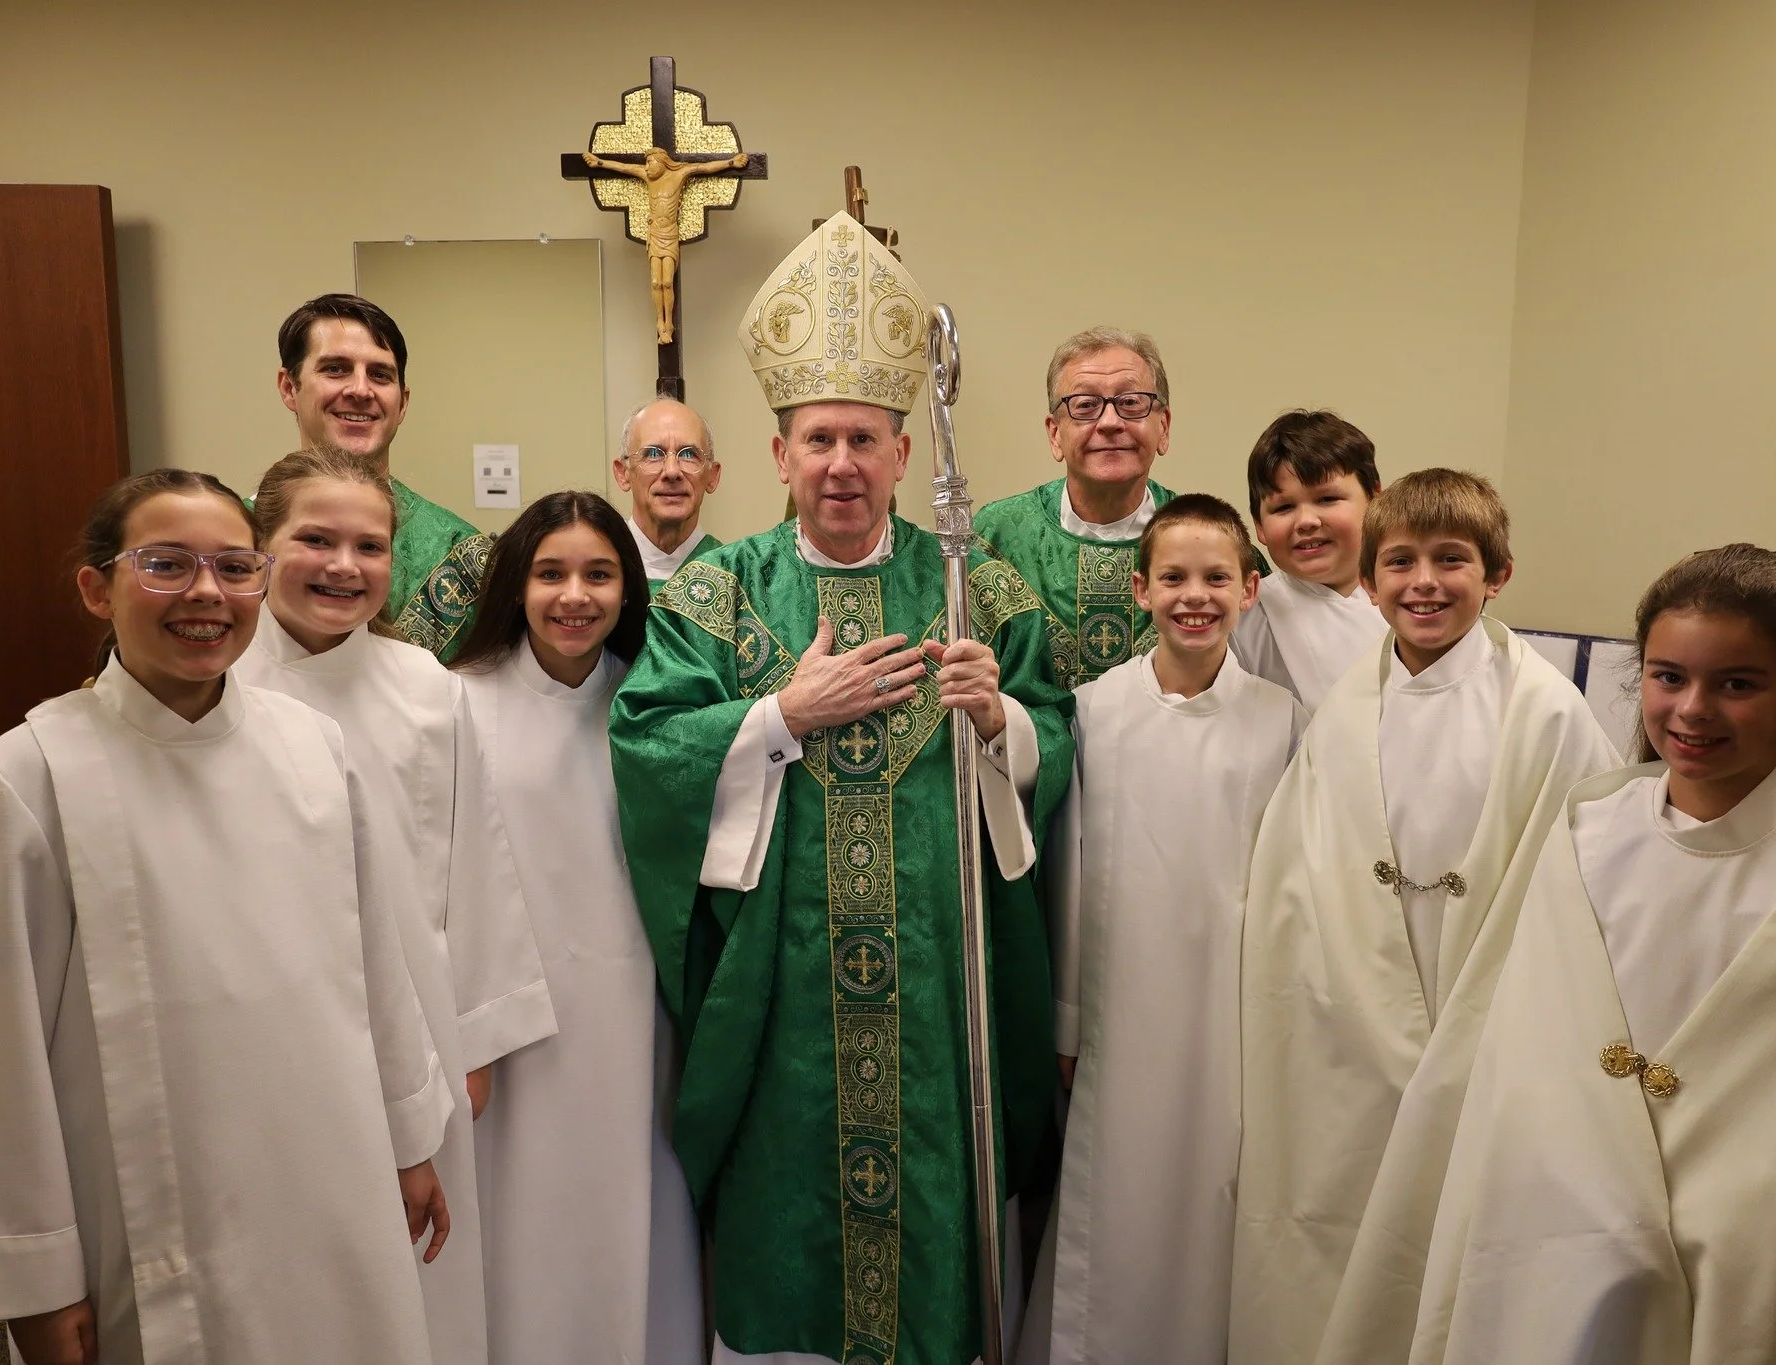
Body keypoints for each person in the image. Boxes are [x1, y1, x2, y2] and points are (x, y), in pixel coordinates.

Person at [611, 211, 1075, 1365]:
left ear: (902, 455)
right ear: (778, 457)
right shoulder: (718, 593)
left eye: (863, 439)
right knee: (791, 1206)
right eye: (816, 439)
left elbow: (1056, 734)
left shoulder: (977, 588)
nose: (840, 464)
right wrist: (779, 717)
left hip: (937, 980)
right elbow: (649, 742)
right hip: (783, 986)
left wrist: (999, 723)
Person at [0, 469, 451, 1364]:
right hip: (148, 1200)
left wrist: (410, 1140)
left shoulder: (314, 747)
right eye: (166, 564)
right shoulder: (30, 773)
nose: (207, 592)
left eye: (234, 567)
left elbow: (375, 966)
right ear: (99, 588)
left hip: (331, 1163)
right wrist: (34, 1279)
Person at [1409, 545, 1776, 1364]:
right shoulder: (1585, 829)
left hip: (1729, 1240)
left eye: (1737, 683)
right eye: (1668, 676)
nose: (1692, 709)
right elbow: (1524, 1042)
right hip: (1550, 1211)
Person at [1227, 468, 1619, 1365]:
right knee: (1332, 1225)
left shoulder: (1547, 713)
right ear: (1369, 583)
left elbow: (1583, 879)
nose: (1424, 583)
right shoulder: (1346, 707)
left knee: (1447, 1241)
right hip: (1344, 1032)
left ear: (1498, 574)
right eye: (1400, 562)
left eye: (1452, 559)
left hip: (1480, 1019)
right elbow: (1294, 872)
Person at [233, 447, 556, 1365]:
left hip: (413, 1026)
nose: (344, 566)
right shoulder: (218, 681)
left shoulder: (426, 687)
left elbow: (475, 862)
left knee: (417, 1269)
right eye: (316, 539)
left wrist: (477, 1038)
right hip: (263, 1014)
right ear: (262, 545)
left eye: (369, 547)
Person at [1023, 494, 1305, 1365]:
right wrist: (1069, 1021)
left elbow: (1293, 883)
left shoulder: (1282, 718)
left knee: (1213, 1194)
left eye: (1217, 578)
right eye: (1174, 577)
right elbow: (1068, 871)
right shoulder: (1095, 709)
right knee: (1116, 1191)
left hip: (1227, 1012)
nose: (1195, 596)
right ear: (1141, 589)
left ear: (1249, 589)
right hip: (1119, 1009)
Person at [452, 490, 703, 1365]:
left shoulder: (657, 701)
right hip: (510, 1018)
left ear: (629, 589)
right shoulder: (458, 701)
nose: (574, 596)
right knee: (519, 1212)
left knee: (625, 1200)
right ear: (515, 585)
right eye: (550, 573)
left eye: (599, 574)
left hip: (631, 1008)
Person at [973, 327, 1193, 689]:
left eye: (1131, 402)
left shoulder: (1205, 536)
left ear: (1163, 427)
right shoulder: (995, 536)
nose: (1110, 422)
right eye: (1086, 405)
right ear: (1055, 433)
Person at [277, 292, 492, 660]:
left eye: (380, 375)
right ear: (289, 388)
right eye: (335, 369)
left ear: (402, 402)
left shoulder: (460, 554)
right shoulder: (239, 539)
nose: (361, 390)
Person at [1231, 409, 1388, 709]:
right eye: (1283, 508)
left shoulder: (1413, 596)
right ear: (1260, 526)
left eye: (1327, 499)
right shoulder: (1244, 619)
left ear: (1375, 500)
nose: (1306, 521)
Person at [581, 147, 751, 343]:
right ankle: (659, 322)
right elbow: (624, 168)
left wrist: (731, 162)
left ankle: (668, 323)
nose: (647, 167)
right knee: (656, 282)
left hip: (669, 234)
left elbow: (704, 167)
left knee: (667, 282)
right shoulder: (647, 176)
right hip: (654, 234)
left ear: (661, 161)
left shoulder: (679, 174)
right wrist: (599, 162)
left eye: (650, 162)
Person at [612, 397, 724, 585]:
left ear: (712, 476)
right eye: (653, 454)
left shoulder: (734, 573)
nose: (672, 471)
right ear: (623, 473)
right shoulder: (597, 569)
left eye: (688, 454)